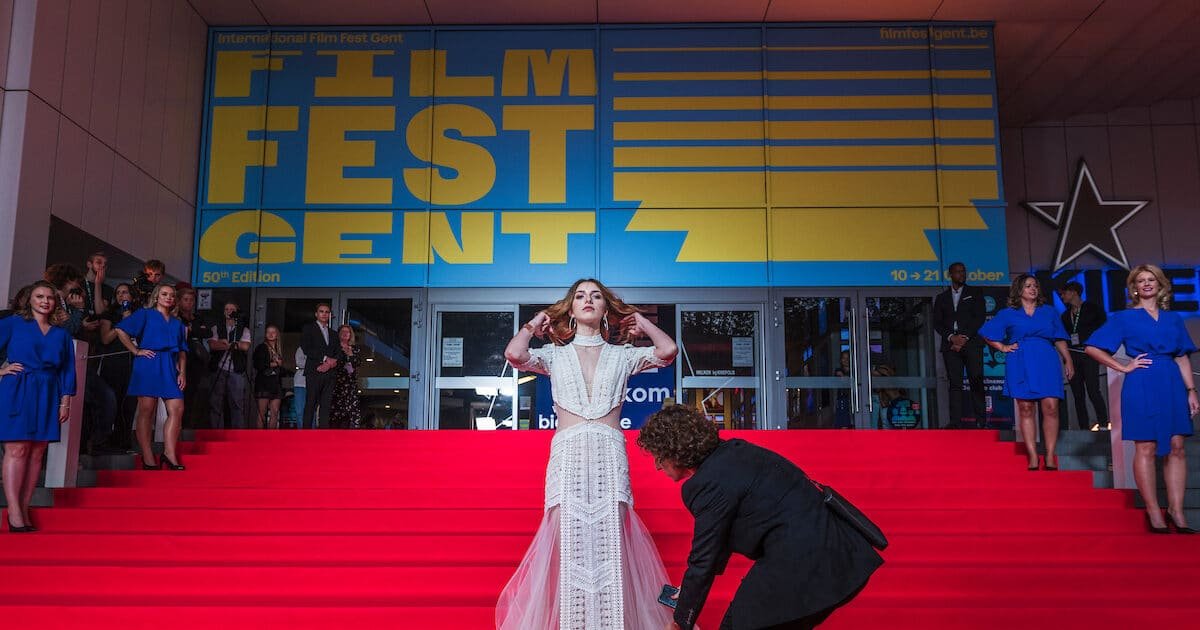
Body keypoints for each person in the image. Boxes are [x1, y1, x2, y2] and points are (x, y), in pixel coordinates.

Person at [496, 278, 678, 630]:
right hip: (569, 456)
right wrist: (534, 324)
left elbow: (667, 351)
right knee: (569, 543)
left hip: (609, 455)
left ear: (606, 308)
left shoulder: (623, 355)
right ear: (571, 308)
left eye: (595, 296)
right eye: (580, 296)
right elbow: (515, 355)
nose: (588, 300)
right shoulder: (554, 355)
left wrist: (642, 323)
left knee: (612, 543)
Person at [637, 405, 883, 630]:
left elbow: (704, 557)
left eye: (659, 457)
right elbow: (718, 540)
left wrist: (680, 621)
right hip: (842, 554)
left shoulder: (704, 484)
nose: (658, 466)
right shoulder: (735, 451)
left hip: (806, 563)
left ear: (676, 452)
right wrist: (689, 590)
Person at [1085, 264, 1198, 534]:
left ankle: (1176, 511)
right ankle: (1153, 511)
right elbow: (1091, 347)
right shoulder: (1123, 317)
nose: (1146, 283)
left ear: (1160, 285)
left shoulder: (1173, 319)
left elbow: (1182, 356)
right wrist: (1123, 367)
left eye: (1151, 279)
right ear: (1134, 288)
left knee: (1177, 445)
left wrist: (1191, 390)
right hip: (1142, 383)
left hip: (1172, 382)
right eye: (1141, 280)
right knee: (1145, 446)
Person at [0, 281, 77, 532]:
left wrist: (65, 401)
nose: (45, 301)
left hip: (48, 392)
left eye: (49, 297)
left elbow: (68, 369)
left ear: (55, 302)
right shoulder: (14, 323)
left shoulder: (61, 334)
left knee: (37, 452)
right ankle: (13, 512)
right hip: (18, 388)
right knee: (17, 448)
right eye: (39, 296)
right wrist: (1, 371)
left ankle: (24, 508)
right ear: (29, 300)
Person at [980, 274, 1074, 471]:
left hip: (1046, 360)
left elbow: (1059, 338)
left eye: (1035, 286)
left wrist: (1068, 359)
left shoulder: (1049, 311)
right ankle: (1032, 455)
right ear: (1019, 290)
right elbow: (987, 333)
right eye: (1028, 286)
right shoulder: (1008, 313)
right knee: (1025, 408)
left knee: (1051, 407)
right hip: (1020, 360)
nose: (1033, 289)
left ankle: (1050, 455)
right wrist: (1003, 347)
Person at [114, 283, 188, 470]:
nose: (168, 297)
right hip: (148, 362)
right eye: (164, 294)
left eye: (172, 295)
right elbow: (120, 329)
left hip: (169, 366)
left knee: (177, 408)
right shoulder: (145, 314)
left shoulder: (177, 323)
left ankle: (169, 454)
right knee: (147, 410)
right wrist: (136, 350)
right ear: (156, 297)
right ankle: (148, 457)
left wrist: (182, 372)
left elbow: (182, 351)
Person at [933, 262, 988, 428]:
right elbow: (937, 323)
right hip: (950, 346)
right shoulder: (942, 298)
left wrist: (964, 337)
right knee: (954, 383)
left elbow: (979, 317)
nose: (962, 274)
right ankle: (955, 422)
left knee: (976, 380)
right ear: (950, 274)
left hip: (971, 343)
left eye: (963, 271)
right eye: (958, 272)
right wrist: (952, 338)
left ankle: (981, 420)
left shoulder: (975, 293)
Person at [1056, 282, 1110, 431]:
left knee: (1093, 390)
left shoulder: (1093, 309)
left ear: (1074, 292)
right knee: (1077, 394)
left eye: (1064, 293)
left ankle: (1103, 425)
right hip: (1072, 356)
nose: (1062, 297)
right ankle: (1083, 429)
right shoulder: (1065, 315)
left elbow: (1105, 329)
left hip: (1089, 354)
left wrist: (1100, 349)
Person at [96, 283, 137, 452]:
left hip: (133, 363)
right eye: (118, 292)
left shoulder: (138, 313)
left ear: (132, 296)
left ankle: (124, 441)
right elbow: (105, 339)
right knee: (112, 402)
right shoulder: (110, 314)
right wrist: (122, 323)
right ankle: (104, 440)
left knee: (129, 404)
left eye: (125, 292)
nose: (121, 295)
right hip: (113, 363)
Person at [208, 301, 251, 429]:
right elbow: (212, 345)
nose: (229, 311)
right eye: (226, 309)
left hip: (235, 370)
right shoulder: (216, 328)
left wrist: (226, 344)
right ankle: (217, 432)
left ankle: (237, 433)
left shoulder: (243, 329)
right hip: (219, 368)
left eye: (232, 309)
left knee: (237, 403)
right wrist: (231, 345)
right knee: (216, 403)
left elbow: (245, 346)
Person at [177, 286, 212, 428]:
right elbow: (181, 334)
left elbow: (208, 332)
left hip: (197, 362)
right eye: (186, 299)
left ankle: (186, 427)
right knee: (179, 394)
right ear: (179, 301)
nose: (189, 303)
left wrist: (192, 330)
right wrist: (195, 331)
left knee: (193, 395)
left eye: (191, 300)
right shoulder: (176, 317)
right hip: (180, 360)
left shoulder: (198, 317)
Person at [299, 303, 338, 429]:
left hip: (330, 374)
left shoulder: (333, 333)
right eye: (321, 311)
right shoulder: (308, 329)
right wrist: (325, 359)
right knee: (311, 404)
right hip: (314, 371)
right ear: (316, 314)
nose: (324, 314)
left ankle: (323, 435)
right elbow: (306, 348)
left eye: (327, 312)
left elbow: (338, 353)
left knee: (326, 406)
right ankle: (306, 434)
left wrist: (329, 364)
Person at [328, 325, 363, 429]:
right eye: (343, 331)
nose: (345, 333)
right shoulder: (334, 348)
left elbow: (358, 363)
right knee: (336, 414)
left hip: (350, 385)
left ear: (350, 335)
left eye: (347, 332)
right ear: (338, 334)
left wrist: (350, 354)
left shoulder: (355, 349)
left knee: (352, 413)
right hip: (337, 384)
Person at [253, 324, 286, 429]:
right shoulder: (261, 347)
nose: (271, 334)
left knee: (275, 412)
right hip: (264, 383)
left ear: (277, 334)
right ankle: (260, 437)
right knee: (262, 413)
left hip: (275, 383)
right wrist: (275, 364)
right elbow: (258, 364)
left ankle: (271, 436)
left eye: (273, 332)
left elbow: (282, 368)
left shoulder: (278, 349)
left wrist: (280, 365)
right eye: (268, 332)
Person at [83, 251, 113, 317]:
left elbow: (100, 312)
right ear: (89, 264)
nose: (103, 265)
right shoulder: (78, 283)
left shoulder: (108, 289)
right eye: (99, 262)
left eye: (105, 264)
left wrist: (98, 284)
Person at [292, 346, 307, 428]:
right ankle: (301, 433)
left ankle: (312, 434)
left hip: (314, 382)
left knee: (311, 411)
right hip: (300, 383)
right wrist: (314, 362)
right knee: (300, 411)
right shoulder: (301, 348)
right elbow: (299, 362)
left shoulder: (320, 347)